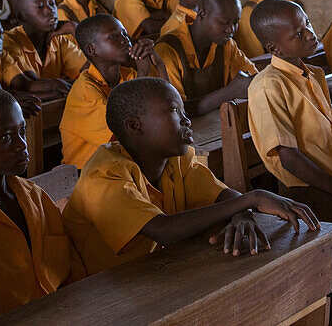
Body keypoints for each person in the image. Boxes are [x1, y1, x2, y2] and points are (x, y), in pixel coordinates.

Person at [61, 77, 319, 274]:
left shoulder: (176, 158)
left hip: (151, 274)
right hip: (95, 294)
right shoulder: (104, 173)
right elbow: (163, 230)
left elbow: (222, 195)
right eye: (174, 111)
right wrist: (251, 199)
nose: (187, 121)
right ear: (135, 126)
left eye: (185, 112)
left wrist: (241, 213)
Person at [246, 0, 332, 318]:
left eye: (306, 23)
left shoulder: (314, 74)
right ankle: (322, 316)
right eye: (297, 33)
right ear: (274, 47)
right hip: (306, 191)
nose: (309, 33)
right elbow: (290, 160)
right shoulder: (268, 85)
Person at [0, 85, 84, 321]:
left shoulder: (35, 196)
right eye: (6, 138)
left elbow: (72, 273)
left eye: (22, 130)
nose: (22, 144)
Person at [59, 14, 166, 169]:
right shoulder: (85, 91)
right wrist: (143, 74)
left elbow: (167, 105)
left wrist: (159, 64)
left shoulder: (128, 75)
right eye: (114, 36)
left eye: (124, 33)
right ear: (92, 49)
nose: (125, 39)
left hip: (123, 165)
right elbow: (129, 131)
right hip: (87, 176)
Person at [154, 0, 257, 116]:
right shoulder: (168, 49)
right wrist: (230, 92)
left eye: (236, 22)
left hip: (218, 126)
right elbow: (176, 110)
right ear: (202, 14)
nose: (231, 29)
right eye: (224, 22)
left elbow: (252, 79)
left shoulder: (226, 44)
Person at [2, 0, 85, 97]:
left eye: (52, 4)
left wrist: (76, 30)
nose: (49, 10)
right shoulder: (10, 42)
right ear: (22, 17)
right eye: (40, 6)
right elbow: (29, 86)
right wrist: (66, 87)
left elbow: (92, 71)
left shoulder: (57, 40)